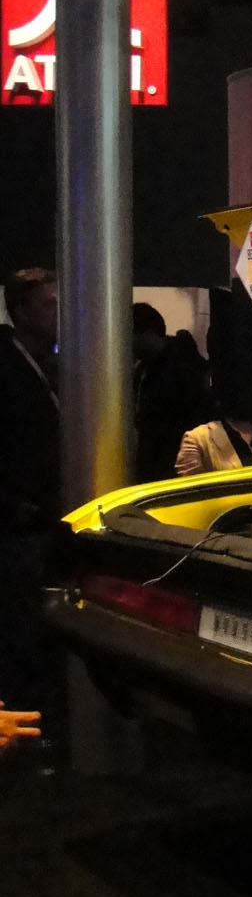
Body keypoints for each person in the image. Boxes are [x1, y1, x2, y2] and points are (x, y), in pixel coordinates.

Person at [0, 268, 63, 745]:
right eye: (48, 304)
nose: (60, 313)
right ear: (19, 311)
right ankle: (27, 723)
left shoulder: (52, 367)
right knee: (24, 628)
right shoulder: (7, 368)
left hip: (48, 517)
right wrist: (13, 502)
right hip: (18, 525)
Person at [132, 302, 211, 483]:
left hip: (170, 470)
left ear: (148, 333)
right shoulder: (145, 368)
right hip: (159, 467)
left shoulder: (181, 370)